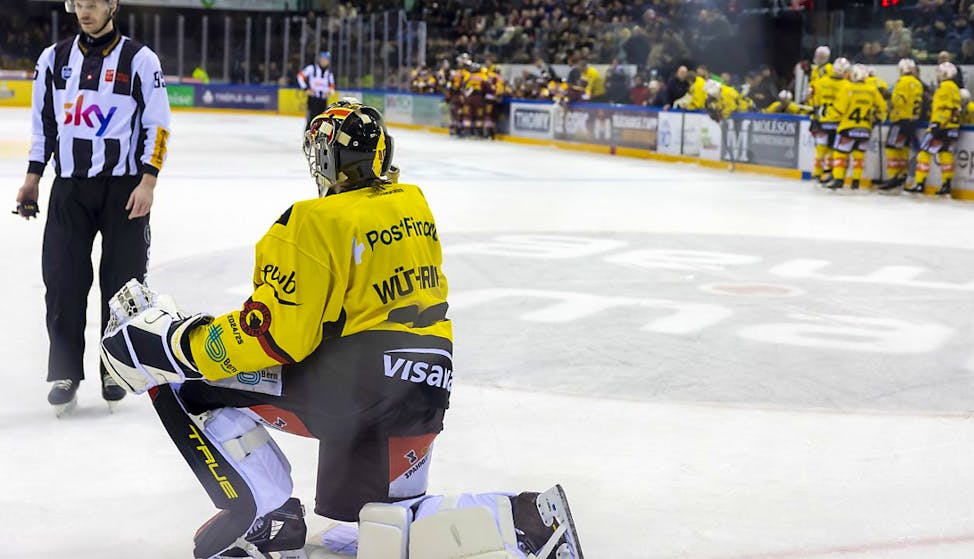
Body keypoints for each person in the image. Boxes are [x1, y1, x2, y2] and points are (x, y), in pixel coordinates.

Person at [98, 100, 583, 559]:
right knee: (388, 528)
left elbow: (274, 337)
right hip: (427, 383)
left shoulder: (312, 222)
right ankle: (529, 520)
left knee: (182, 382)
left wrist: (175, 342)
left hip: (360, 390)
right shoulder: (412, 204)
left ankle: (266, 521)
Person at [14, 0, 169, 416]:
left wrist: (148, 182)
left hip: (125, 190)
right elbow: (44, 125)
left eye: (94, 3)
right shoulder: (53, 59)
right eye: (79, 2)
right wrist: (33, 178)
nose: (85, 10)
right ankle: (65, 373)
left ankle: (115, 369)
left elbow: (158, 125)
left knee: (122, 285)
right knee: (62, 281)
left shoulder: (140, 59)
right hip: (70, 188)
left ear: (112, 5)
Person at [823, 64, 887, 191]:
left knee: (840, 155)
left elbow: (839, 110)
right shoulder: (872, 90)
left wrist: (825, 113)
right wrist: (878, 117)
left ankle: (838, 180)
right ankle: (856, 182)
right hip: (865, 130)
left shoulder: (847, 88)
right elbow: (883, 108)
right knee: (859, 157)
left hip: (847, 128)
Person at [909, 62, 961, 195]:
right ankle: (946, 185)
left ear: (945, 73)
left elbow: (945, 108)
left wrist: (937, 124)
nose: (937, 75)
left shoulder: (944, 87)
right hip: (952, 127)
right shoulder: (955, 87)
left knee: (923, 153)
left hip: (940, 125)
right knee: (945, 154)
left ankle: (919, 183)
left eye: (939, 72)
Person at [880, 58, 924, 191]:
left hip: (900, 120)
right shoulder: (918, 83)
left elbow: (898, 101)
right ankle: (903, 174)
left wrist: (888, 97)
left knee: (891, 146)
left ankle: (894, 176)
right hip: (913, 121)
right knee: (904, 148)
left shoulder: (902, 82)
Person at [810, 57, 851, 184]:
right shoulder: (848, 85)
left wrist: (816, 116)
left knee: (821, 148)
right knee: (834, 150)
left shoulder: (821, 82)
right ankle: (831, 173)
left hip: (823, 120)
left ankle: (817, 173)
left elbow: (813, 100)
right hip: (838, 121)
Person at [296, 50, 336, 129]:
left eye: (326, 60)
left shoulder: (329, 73)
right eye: (323, 59)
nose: (324, 62)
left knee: (322, 122)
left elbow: (332, 85)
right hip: (313, 99)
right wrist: (305, 88)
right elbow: (300, 76)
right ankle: (308, 136)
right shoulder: (312, 68)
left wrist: (330, 92)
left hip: (323, 100)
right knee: (311, 121)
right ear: (319, 60)